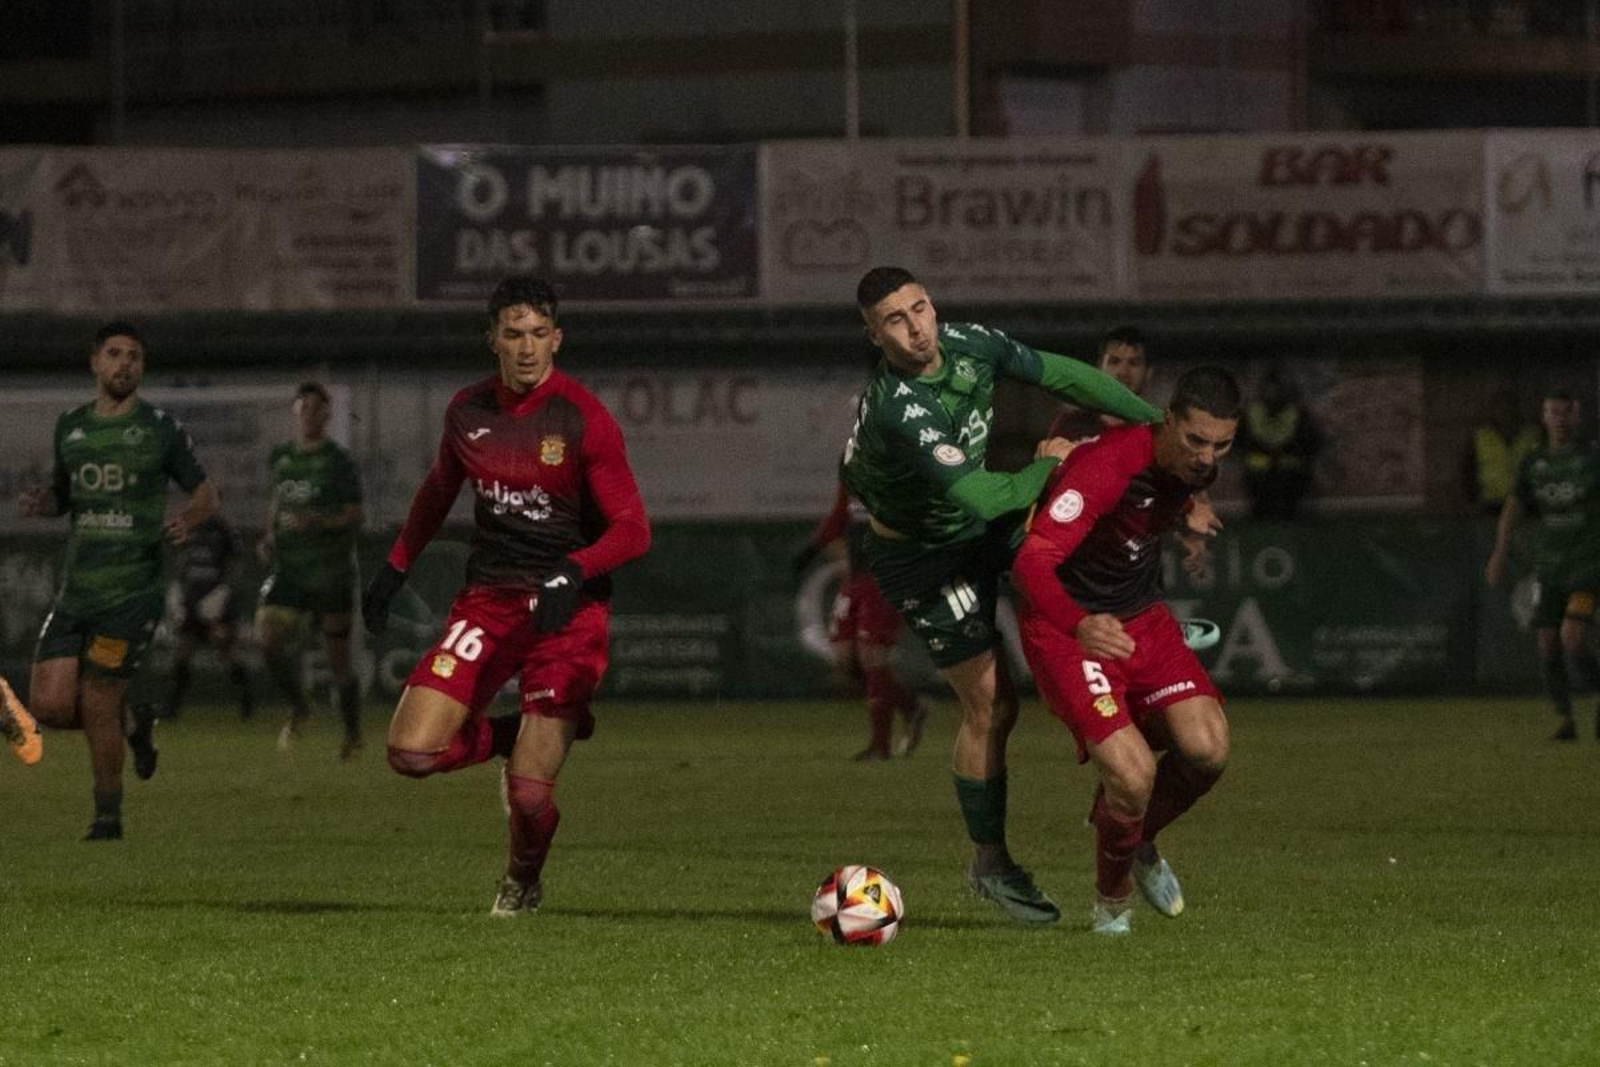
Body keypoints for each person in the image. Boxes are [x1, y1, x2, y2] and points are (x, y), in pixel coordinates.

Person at [840, 265, 1161, 925]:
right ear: (875, 337)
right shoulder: (900, 408)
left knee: (1073, 559)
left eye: (920, 308)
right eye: (895, 320)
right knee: (992, 706)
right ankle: (990, 863)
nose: (915, 328)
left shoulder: (971, 343)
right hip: (924, 558)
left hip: (979, 526)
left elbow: (1061, 375)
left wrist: (1157, 423)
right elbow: (987, 496)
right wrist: (1049, 462)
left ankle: (1150, 641)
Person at [362, 276, 651, 916]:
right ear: (491, 338)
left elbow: (634, 529)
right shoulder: (468, 412)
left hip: (567, 614)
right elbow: (439, 489)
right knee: (411, 753)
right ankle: (511, 734)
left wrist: (574, 569)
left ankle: (522, 880)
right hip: (488, 603)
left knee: (528, 796)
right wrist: (395, 566)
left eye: (539, 334)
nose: (527, 348)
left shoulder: (582, 418)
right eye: (514, 334)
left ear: (557, 339)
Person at [1011, 365, 1241, 936]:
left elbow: (1184, 482)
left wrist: (1192, 512)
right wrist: (1079, 623)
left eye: (1222, 445)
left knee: (1208, 749)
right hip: (1069, 625)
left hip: (1142, 618)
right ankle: (1111, 907)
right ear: (1167, 420)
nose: (1207, 457)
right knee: (1134, 775)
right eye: (1196, 440)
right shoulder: (1106, 467)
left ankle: (1137, 840)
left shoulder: (1192, 465)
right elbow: (1031, 563)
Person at [13, 321, 218, 839]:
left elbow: (206, 494)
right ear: (95, 363)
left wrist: (187, 520)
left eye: (134, 356)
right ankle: (134, 722)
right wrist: (44, 503)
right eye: (115, 354)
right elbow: (65, 496)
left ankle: (108, 815)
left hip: (132, 593)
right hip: (77, 589)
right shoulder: (71, 427)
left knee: (99, 696)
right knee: (49, 707)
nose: (125, 363)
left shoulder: (160, 429)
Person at [256, 382, 366, 759]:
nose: (310, 415)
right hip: (289, 569)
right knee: (267, 640)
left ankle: (352, 734)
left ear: (327, 415)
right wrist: (269, 537)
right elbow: (278, 502)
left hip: (330, 572)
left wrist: (316, 520)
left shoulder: (338, 461)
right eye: (304, 408)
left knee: (338, 663)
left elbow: (355, 514)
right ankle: (300, 705)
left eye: (318, 409)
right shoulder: (282, 457)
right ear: (295, 412)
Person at [1485, 388, 1600, 741]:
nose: (1560, 420)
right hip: (1549, 568)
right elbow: (1513, 508)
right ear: (1544, 417)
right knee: (1547, 643)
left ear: (1576, 417)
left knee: (1572, 639)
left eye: (1566, 413)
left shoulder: (1591, 457)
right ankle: (1565, 720)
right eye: (1554, 412)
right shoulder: (1533, 462)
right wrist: (1499, 553)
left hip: (1586, 566)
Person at [793, 479, 927, 762]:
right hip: (856, 578)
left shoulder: (900, 470)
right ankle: (910, 706)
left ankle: (880, 746)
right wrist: (812, 548)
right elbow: (839, 516)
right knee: (845, 659)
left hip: (885, 576)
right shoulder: (853, 468)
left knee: (872, 656)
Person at [166, 514, 254, 720]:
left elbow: (236, 561)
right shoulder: (187, 525)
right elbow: (180, 559)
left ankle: (246, 701)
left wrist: (223, 591)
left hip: (215, 598)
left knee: (226, 647)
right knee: (183, 649)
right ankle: (173, 705)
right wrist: (178, 587)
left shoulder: (223, 528)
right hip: (191, 598)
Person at [1238, 367, 1321, 520]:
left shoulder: (1297, 413)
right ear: (1262, 392)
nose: (1273, 395)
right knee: (1262, 510)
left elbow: (1310, 442)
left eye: (1277, 390)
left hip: (1289, 470)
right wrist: (1261, 449)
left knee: (1288, 509)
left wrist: (1286, 450)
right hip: (1259, 471)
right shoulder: (1252, 413)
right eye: (1269, 390)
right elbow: (1241, 441)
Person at [1046, 325, 1151, 441]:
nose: (1123, 372)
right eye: (1114, 362)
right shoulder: (1071, 426)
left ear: (1148, 372)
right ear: (1099, 368)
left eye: (1134, 363)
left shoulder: (1156, 432)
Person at [1462, 388, 1539, 516]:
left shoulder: (1533, 436)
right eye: (1501, 408)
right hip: (1491, 504)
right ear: (1494, 411)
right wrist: (1472, 500)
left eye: (1510, 408)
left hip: (1526, 504)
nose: (1506, 413)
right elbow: (1467, 471)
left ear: (1518, 409)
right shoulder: (1481, 437)